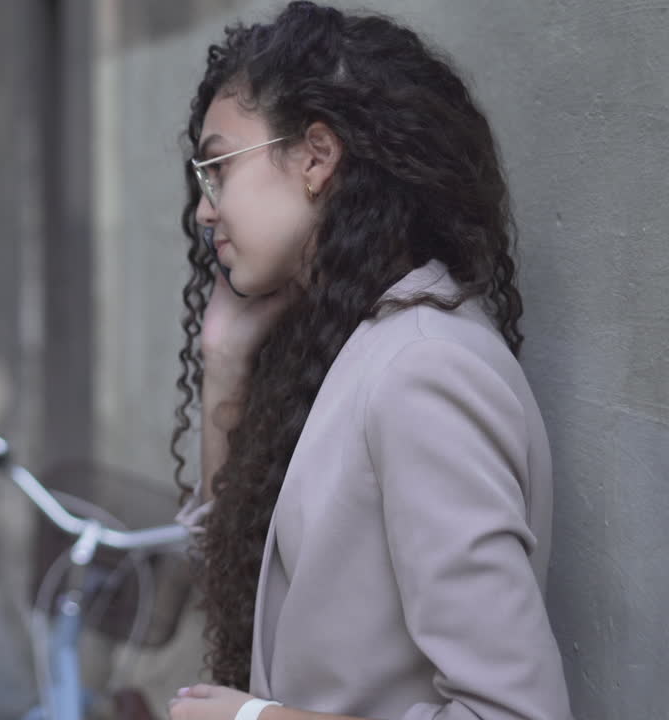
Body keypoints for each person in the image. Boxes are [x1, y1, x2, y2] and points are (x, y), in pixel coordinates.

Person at [164, 3, 573, 719]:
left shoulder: (424, 369)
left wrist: (252, 718)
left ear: (316, 157)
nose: (204, 209)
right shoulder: (344, 341)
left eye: (219, 166)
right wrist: (224, 361)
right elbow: (235, 565)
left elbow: (511, 711)